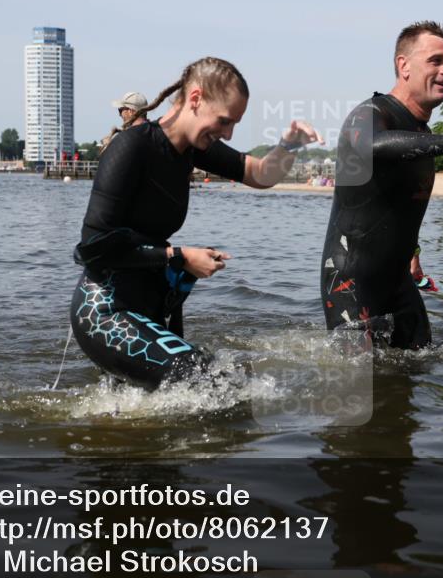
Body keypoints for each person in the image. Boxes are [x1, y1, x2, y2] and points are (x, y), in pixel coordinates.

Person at [72, 57, 321, 387]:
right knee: (214, 383)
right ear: (195, 99)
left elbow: (262, 175)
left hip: (149, 307)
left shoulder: (192, 148)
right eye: (224, 121)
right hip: (105, 312)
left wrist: (289, 145)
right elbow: (92, 249)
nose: (229, 133)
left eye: (234, 124)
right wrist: (179, 256)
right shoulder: (131, 148)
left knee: (206, 390)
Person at [321, 21, 443, 348]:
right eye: (436, 61)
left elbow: (398, 202)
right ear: (403, 66)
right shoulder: (371, 113)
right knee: (363, 388)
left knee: (415, 370)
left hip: (399, 280)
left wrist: (412, 252)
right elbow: (371, 145)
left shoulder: (420, 133)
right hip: (352, 282)